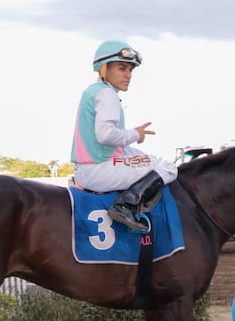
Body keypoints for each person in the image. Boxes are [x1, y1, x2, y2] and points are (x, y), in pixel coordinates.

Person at [71, 40, 178, 231]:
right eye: (122, 68)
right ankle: (125, 205)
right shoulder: (107, 94)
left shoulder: (93, 91)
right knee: (169, 168)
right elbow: (105, 136)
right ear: (104, 69)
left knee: (155, 161)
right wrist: (135, 134)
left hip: (91, 166)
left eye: (130, 70)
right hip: (98, 170)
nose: (128, 75)